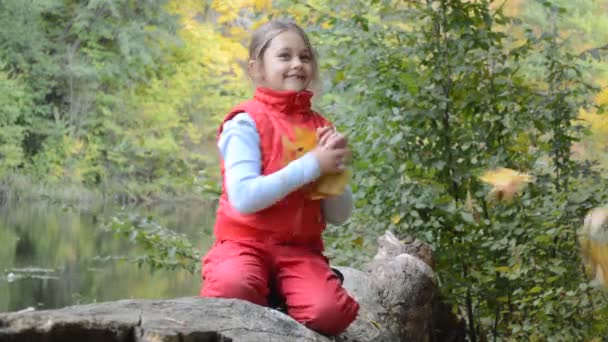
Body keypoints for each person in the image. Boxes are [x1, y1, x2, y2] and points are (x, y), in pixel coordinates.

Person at [199, 20, 359, 336]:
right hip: (244, 243)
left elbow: (339, 216)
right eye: (284, 56)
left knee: (331, 314)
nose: (297, 64)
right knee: (232, 288)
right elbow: (245, 198)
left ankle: (282, 292)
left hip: (300, 249)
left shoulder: (320, 127)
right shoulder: (245, 122)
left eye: (305, 56)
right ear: (256, 68)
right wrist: (313, 164)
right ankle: (261, 288)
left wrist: (334, 173)